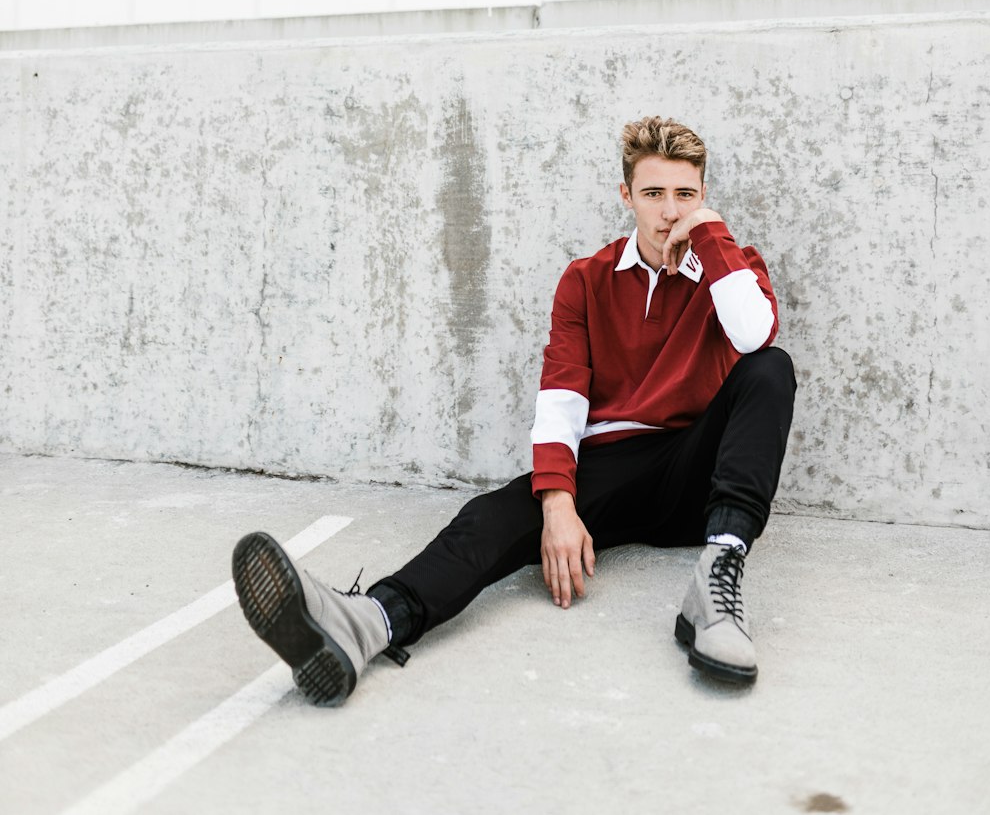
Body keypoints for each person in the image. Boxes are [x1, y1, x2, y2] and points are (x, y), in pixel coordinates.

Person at [232, 115, 796, 703]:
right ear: (626, 195)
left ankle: (718, 584)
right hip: (613, 471)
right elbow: (563, 393)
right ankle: (367, 624)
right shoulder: (587, 279)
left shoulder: (732, 267)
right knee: (491, 517)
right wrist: (557, 501)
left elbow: (754, 338)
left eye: (686, 195)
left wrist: (710, 235)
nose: (670, 212)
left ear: (704, 196)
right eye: (654, 194)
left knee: (771, 368)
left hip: (694, 475)